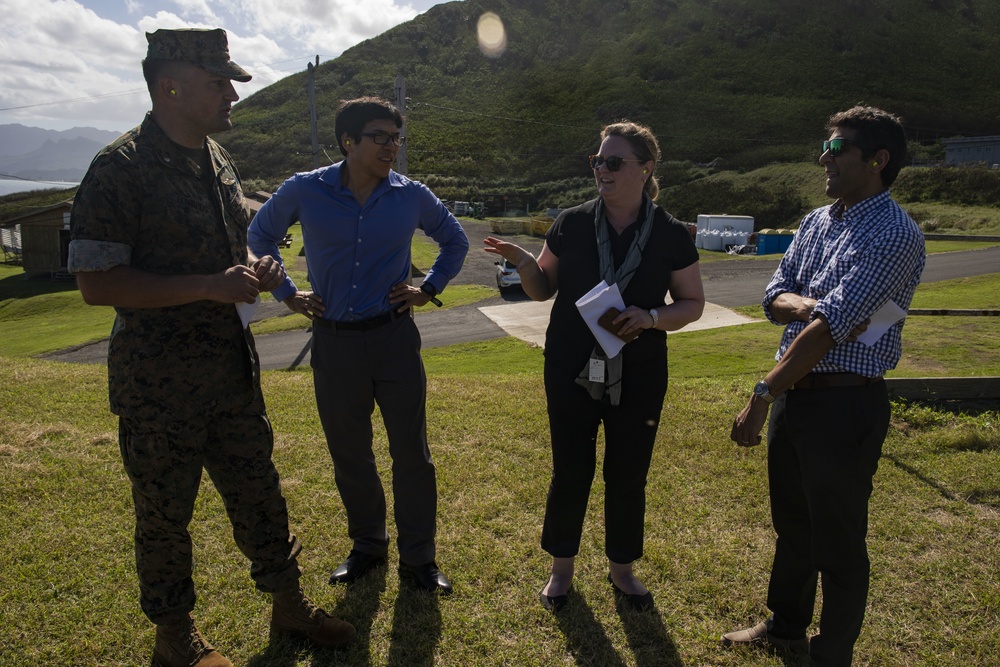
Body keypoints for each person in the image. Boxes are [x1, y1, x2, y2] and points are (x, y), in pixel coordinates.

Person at [68, 28, 356, 667]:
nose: (232, 95)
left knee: (261, 491)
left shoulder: (218, 160)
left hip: (231, 373)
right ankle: (175, 638)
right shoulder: (119, 169)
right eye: (218, 83)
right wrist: (209, 285)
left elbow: (238, 240)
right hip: (159, 387)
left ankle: (288, 606)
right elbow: (96, 283)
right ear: (170, 86)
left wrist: (260, 266)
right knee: (165, 517)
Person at [723, 106, 925, 666]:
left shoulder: (895, 233)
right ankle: (785, 624)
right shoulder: (817, 222)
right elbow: (774, 296)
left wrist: (762, 395)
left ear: (877, 160)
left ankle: (830, 653)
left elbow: (827, 335)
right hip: (799, 397)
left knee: (837, 538)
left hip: (844, 402)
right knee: (793, 524)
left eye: (836, 150)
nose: (823, 158)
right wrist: (818, 308)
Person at [248, 96, 469, 595]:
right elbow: (259, 234)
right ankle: (368, 545)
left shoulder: (411, 195)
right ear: (348, 141)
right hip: (334, 343)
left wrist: (428, 288)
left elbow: (455, 241)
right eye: (380, 137)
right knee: (350, 453)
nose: (391, 146)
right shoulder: (305, 190)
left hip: (393, 337)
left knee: (412, 453)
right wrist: (285, 291)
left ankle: (419, 559)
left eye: (396, 138)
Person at [484, 121, 705, 612]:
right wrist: (524, 263)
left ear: (645, 169)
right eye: (597, 162)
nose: (601, 170)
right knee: (570, 469)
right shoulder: (573, 222)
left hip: (641, 371)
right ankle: (560, 570)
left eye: (613, 162)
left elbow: (691, 304)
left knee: (628, 473)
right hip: (569, 366)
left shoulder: (670, 233)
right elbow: (544, 289)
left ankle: (622, 569)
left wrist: (650, 317)